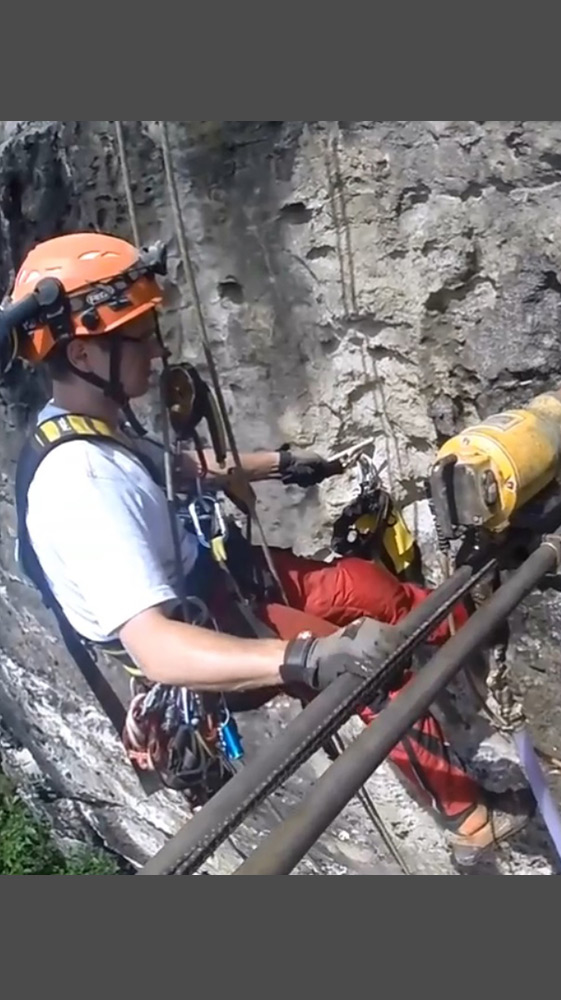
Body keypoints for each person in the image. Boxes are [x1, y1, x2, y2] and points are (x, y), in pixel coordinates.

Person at [6, 231, 530, 866]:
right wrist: (307, 657)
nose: (158, 350)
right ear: (85, 352)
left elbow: (179, 469)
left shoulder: (91, 429)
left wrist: (281, 464)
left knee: (370, 588)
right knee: (368, 669)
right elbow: (158, 649)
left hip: (224, 576)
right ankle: (467, 815)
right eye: (140, 336)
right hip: (205, 626)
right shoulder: (82, 483)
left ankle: (470, 660)